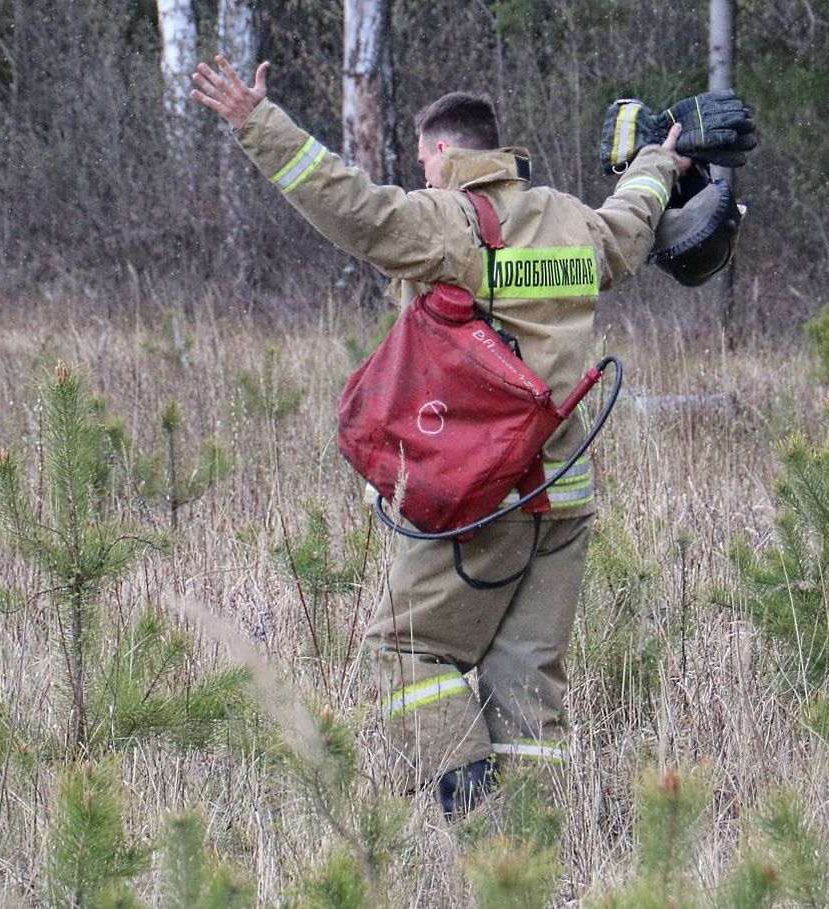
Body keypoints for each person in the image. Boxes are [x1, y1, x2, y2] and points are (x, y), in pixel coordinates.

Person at [191, 56, 688, 816]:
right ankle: (531, 847)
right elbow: (631, 220)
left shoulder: (449, 223)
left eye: (424, 161)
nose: (422, 174)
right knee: (526, 681)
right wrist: (660, 156)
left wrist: (257, 122)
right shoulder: (568, 219)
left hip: (480, 499)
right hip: (564, 498)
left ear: (446, 155)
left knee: (403, 655)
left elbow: (350, 206)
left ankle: (476, 818)